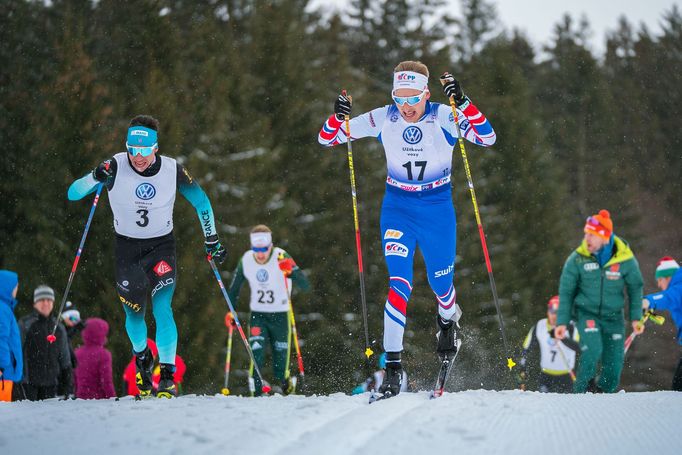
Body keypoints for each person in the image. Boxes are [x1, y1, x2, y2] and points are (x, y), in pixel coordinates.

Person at [317, 60, 496, 396]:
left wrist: (466, 102)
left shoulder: (442, 115)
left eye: (413, 98)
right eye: (400, 97)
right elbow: (328, 138)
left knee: (440, 283)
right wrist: (338, 117)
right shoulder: (385, 116)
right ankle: (394, 368)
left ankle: (447, 319)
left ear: (426, 93)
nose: (406, 106)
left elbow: (487, 137)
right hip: (397, 209)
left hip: (436, 209)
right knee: (399, 283)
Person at [67, 115, 226, 398]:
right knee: (134, 315)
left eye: (143, 150)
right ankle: (142, 357)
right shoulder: (114, 166)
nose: (137, 157)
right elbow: (73, 193)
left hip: (161, 247)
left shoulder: (172, 170)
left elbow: (201, 201)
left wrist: (211, 237)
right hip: (127, 250)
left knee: (163, 308)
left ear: (155, 147)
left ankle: (166, 374)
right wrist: (94, 176)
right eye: (132, 150)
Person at [556, 210, 644, 393]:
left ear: (604, 237)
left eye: (591, 235)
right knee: (593, 349)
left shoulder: (625, 258)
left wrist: (636, 317)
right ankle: (581, 392)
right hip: (586, 313)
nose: (586, 239)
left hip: (614, 317)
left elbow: (635, 287)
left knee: (614, 364)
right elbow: (566, 291)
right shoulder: (577, 259)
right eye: (586, 234)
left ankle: (603, 393)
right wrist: (562, 322)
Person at [227, 225, 310, 396]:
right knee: (256, 354)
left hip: (280, 315)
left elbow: (305, 284)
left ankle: (286, 383)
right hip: (258, 315)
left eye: (264, 249)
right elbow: (234, 289)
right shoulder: (247, 259)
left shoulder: (281, 255)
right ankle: (256, 391)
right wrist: (231, 311)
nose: (260, 254)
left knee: (280, 364)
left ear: (270, 246)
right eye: (256, 249)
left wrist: (291, 271)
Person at [18, 285, 73, 400]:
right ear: (35, 303)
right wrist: (21, 381)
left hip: (52, 385)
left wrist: (68, 383)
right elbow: (18, 354)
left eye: (49, 300)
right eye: (42, 300)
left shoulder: (59, 327)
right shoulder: (25, 324)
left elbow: (65, 358)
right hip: (29, 385)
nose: (46, 303)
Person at [518, 296, 580, 393]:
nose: (555, 316)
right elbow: (526, 348)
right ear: (548, 311)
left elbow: (579, 348)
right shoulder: (540, 326)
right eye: (552, 311)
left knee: (567, 406)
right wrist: (522, 367)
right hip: (546, 376)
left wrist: (562, 338)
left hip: (567, 376)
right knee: (545, 405)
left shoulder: (571, 327)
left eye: (559, 313)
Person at [642, 256, 682, 390]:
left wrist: (648, 301)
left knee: (678, 387)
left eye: (659, 280)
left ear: (668, 277)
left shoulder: (679, 286)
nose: (659, 285)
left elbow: (668, 297)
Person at [122, 339, 186, 396]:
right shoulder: (140, 367)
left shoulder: (132, 366)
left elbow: (125, 388)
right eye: (153, 355)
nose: (154, 359)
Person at [74, 318, 116, 399]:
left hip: (80, 400)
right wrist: (113, 398)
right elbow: (106, 382)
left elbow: (74, 380)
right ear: (100, 334)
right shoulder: (104, 354)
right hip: (98, 401)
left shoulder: (77, 353)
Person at [0, 270, 22, 402]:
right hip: (4, 373)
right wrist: (1, 365)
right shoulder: (2, 309)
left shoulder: (5, 308)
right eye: (15, 286)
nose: (17, 289)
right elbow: (0, 338)